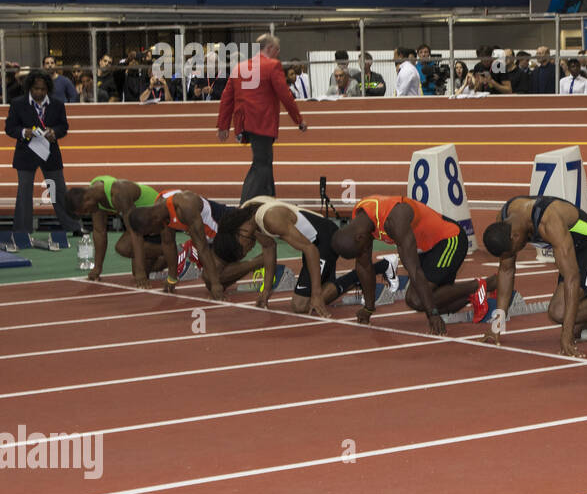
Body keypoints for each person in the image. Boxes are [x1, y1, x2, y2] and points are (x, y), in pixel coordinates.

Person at [482, 195, 587, 356]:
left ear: (515, 236)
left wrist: (565, 336)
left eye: (512, 251)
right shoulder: (504, 221)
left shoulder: (548, 222)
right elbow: (506, 271)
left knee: (559, 312)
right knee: (575, 324)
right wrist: (497, 325)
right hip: (570, 251)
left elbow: (572, 277)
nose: (513, 254)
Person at [330, 195, 494, 335]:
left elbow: (414, 270)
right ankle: (475, 292)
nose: (365, 251)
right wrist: (368, 308)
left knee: (419, 300)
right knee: (418, 300)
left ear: (359, 237)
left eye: (363, 249)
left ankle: (479, 286)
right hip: (428, 248)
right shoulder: (359, 222)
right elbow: (364, 266)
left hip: (450, 240)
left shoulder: (395, 219)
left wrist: (433, 314)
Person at [213, 196, 394, 317]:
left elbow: (311, 251)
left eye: (243, 248)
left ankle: (377, 270)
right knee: (313, 296)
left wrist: (315, 295)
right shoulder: (249, 212)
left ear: (240, 232)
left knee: (302, 305)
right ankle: (357, 276)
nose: (247, 250)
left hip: (323, 240)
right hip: (312, 240)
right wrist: (265, 291)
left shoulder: (269, 219)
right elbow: (269, 248)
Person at [216, 34, 307, 202]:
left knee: (265, 160)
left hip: (244, 123)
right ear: (270, 48)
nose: (278, 53)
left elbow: (227, 97)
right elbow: (285, 95)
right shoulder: (272, 66)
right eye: (277, 50)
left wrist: (223, 126)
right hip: (262, 123)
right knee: (261, 164)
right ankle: (245, 204)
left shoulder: (240, 67)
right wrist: (298, 120)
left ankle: (269, 197)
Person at [126, 189, 256, 297]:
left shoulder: (185, 206)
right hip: (209, 238)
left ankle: (261, 262)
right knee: (212, 278)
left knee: (213, 281)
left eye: (150, 232)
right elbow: (168, 244)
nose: (152, 234)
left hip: (231, 230)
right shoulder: (160, 210)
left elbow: (202, 247)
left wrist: (216, 284)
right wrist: (172, 277)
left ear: (154, 220)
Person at [5, 71, 82, 236]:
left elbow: (64, 126)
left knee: (57, 191)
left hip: (50, 153)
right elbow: (9, 128)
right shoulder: (18, 103)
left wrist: (55, 132)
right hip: (26, 154)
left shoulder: (56, 104)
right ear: (29, 88)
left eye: (42, 89)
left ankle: (74, 226)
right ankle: (22, 231)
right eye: (35, 89)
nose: (39, 92)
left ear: (48, 89)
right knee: (24, 192)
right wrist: (23, 132)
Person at [62, 175, 163, 282]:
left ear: (87, 199)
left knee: (124, 248)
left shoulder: (119, 193)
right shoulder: (95, 196)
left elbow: (135, 232)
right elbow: (99, 231)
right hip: (142, 223)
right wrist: (97, 268)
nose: (89, 213)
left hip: (157, 215)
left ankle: (175, 251)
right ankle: (169, 254)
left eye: (86, 210)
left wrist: (140, 271)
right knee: (142, 270)